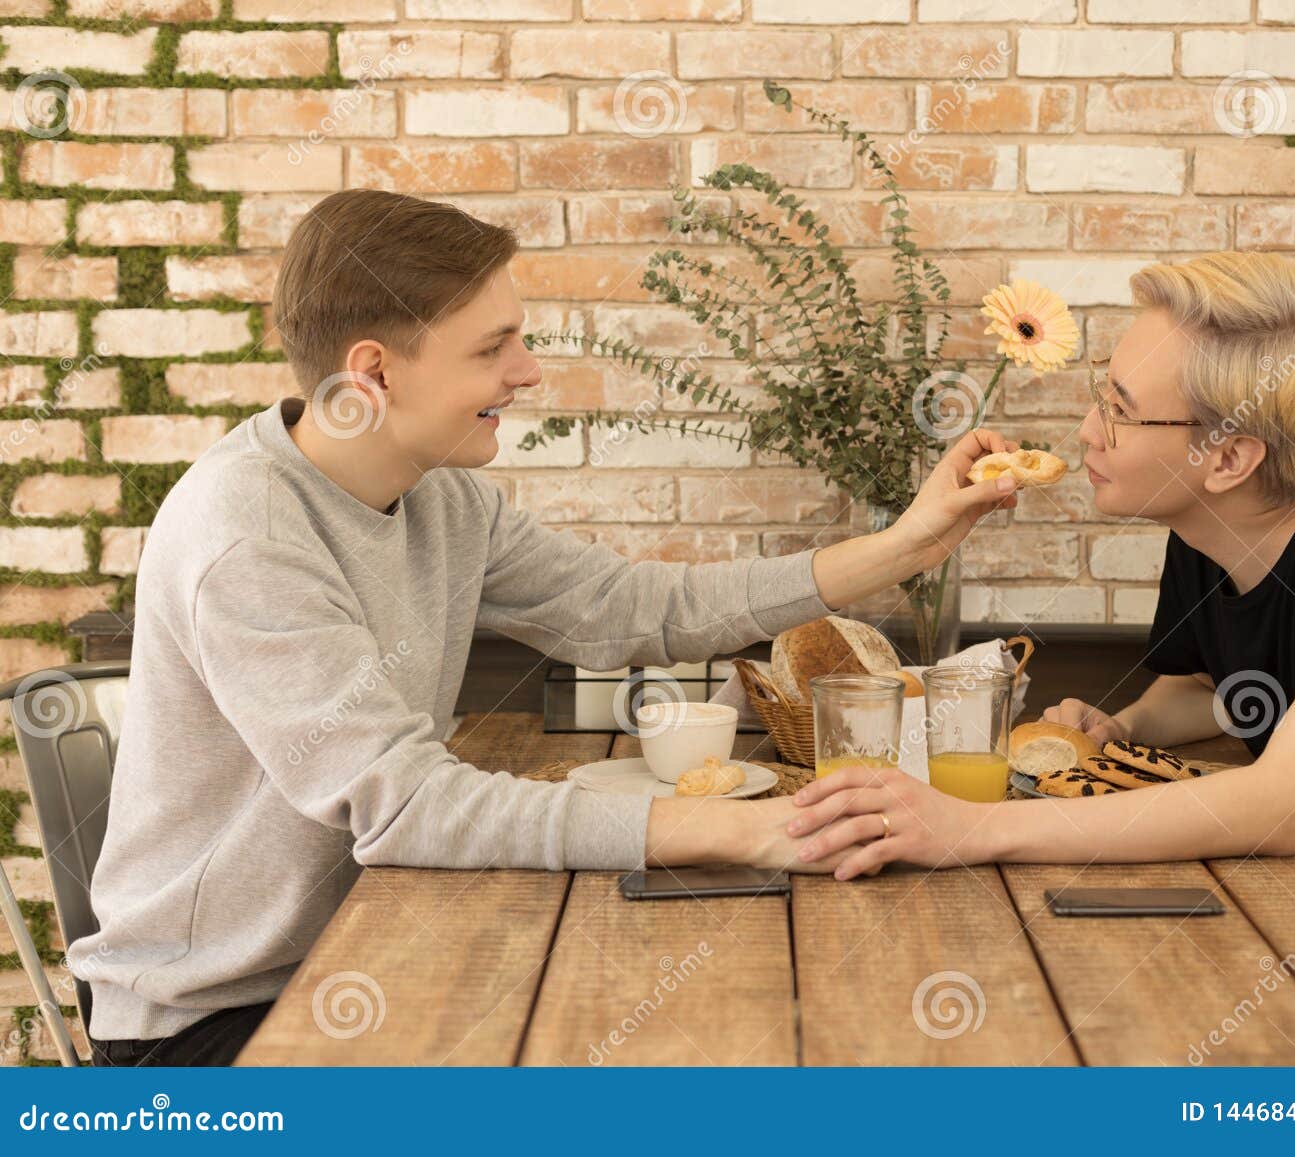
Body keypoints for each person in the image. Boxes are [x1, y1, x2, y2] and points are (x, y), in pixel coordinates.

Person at [72, 188, 1021, 1066]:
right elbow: (409, 805)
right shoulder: (248, 539)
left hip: (370, 944)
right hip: (213, 1020)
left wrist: (906, 543)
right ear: (374, 372)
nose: (526, 372)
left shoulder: (441, 497)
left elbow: (641, 609)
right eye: (492, 349)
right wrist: (746, 832)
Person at [786, 251, 1295, 974]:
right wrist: (1125, 726)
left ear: (1229, 457)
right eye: (1102, 396)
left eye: (1120, 411)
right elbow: (1212, 687)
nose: (1089, 431)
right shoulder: (1206, 523)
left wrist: (974, 830)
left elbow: (1281, 804)